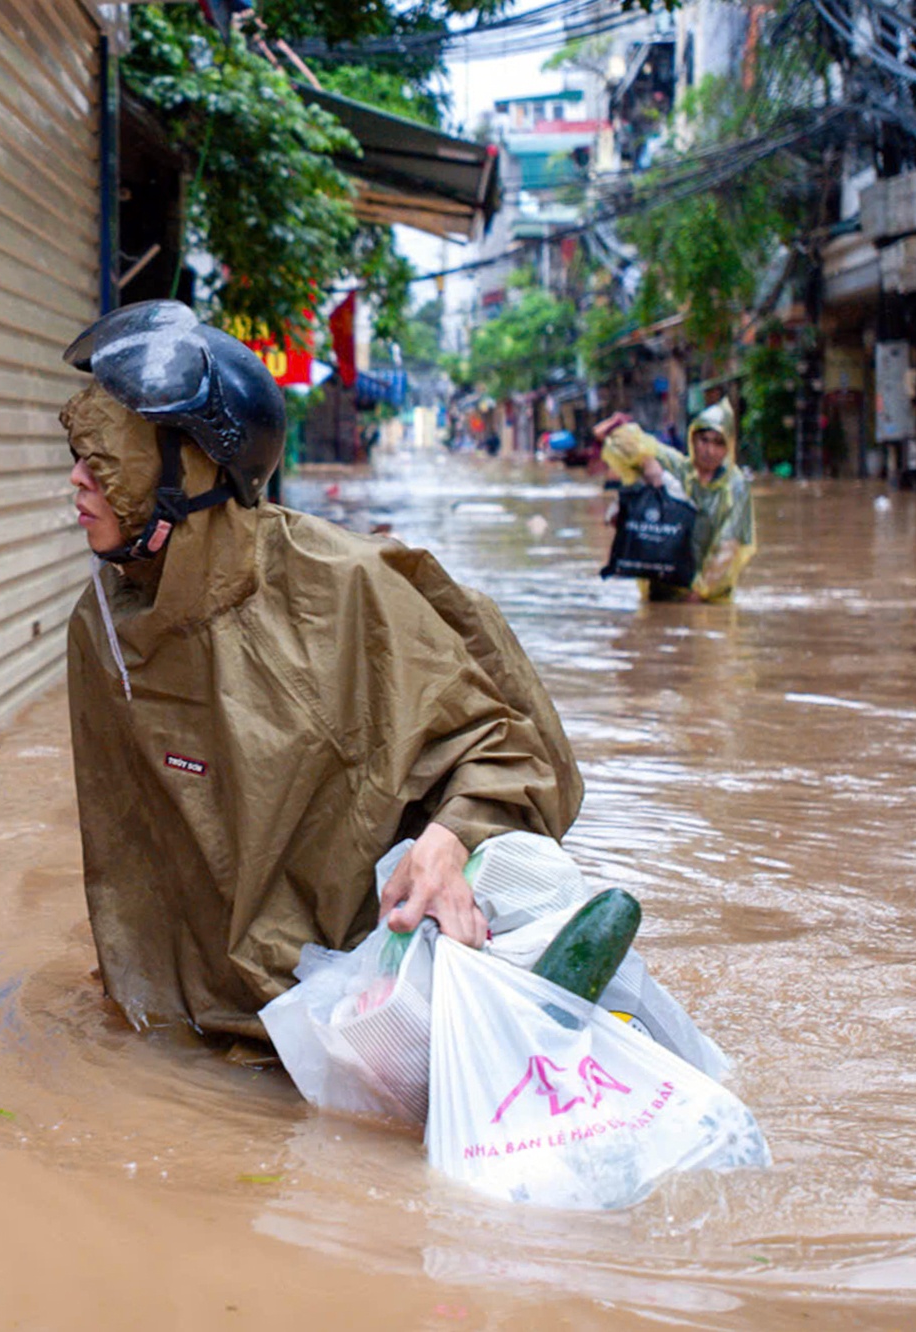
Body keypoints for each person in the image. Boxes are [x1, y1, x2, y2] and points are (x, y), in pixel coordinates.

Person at [59, 301, 583, 1040]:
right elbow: (133, 863)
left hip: (367, 1001)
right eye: (78, 456)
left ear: (191, 473)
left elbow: (515, 756)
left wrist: (449, 842)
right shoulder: (105, 625)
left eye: (107, 460)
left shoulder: (346, 590)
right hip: (199, 1027)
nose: (78, 481)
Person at [591, 401, 757, 603]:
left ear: (729, 446)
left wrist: (699, 592)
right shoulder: (675, 467)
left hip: (709, 600)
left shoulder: (734, 485)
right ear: (692, 438)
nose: (709, 450)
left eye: (718, 443)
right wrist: (647, 461)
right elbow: (615, 438)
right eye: (704, 440)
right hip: (660, 590)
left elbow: (730, 545)